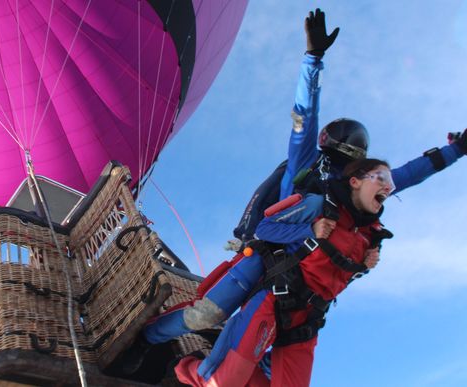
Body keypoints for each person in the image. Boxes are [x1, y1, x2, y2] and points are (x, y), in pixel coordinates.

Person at [140, 8, 466, 348]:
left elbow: (405, 175)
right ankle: (147, 336)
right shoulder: (306, 162)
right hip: (269, 251)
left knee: (256, 336)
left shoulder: (356, 185)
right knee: (206, 315)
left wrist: (457, 151)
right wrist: (312, 60)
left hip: (300, 274)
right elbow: (304, 116)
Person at [174, 158, 394, 386]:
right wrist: (310, 230)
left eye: (392, 184)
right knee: (225, 383)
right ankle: (187, 368)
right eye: (382, 178)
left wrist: (365, 268)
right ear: (355, 181)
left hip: (307, 321)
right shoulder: (320, 205)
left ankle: (241, 369)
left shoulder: (372, 237)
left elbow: (336, 278)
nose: (389, 187)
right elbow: (264, 228)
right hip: (275, 301)